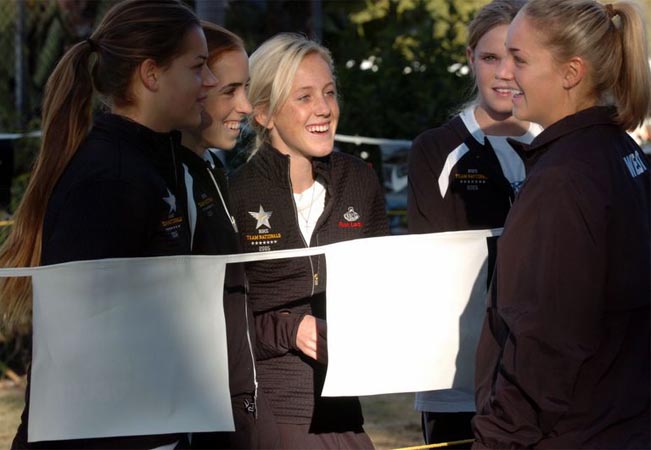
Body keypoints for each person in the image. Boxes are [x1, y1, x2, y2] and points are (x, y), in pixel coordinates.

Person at [0, 0, 217, 448]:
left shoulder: (157, 161)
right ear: (151, 74)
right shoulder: (111, 178)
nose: (210, 82)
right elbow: (79, 353)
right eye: (198, 67)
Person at [472, 1, 651, 448]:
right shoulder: (620, 152)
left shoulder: (565, 179)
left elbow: (546, 342)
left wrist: (496, 440)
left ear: (571, 73)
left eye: (520, 58)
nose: (505, 73)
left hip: (573, 431)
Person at [228, 33, 388, 449]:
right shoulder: (233, 194)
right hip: (269, 416)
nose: (324, 109)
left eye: (329, 92)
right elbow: (217, 327)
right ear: (262, 113)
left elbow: (383, 295)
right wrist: (290, 329)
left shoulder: (360, 180)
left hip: (345, 416)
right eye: (304, 97)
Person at [407, 0, 540, 447]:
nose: (505, 72)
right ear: (469, 59)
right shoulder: (436, 150)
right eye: (490, 58)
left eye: (517, 58)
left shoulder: (560, 150)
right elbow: (428, 267)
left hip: (541, 375)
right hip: (458, 382)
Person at [177, 21, 278, 450]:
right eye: (229, 90)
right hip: (193, 410)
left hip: (232, 401)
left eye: (247, 89)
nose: (245, 105)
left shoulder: (213, 168)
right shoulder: (168, 177)